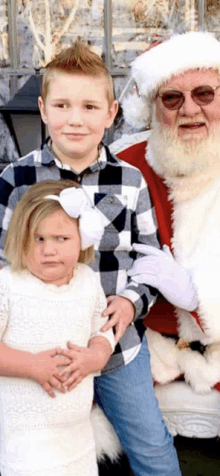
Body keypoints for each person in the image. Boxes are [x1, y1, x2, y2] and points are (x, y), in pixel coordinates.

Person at [0, 40, 182, 475]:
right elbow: (4, 264)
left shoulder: (131, 180)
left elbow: (150, 260)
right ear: (43, 110)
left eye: (88, 106)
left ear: (111, 113)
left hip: (117, 346)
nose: (75, 119)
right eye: (62, 105)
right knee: (33, 449)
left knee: (153, 450)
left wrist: (130, 302)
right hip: (41, 348)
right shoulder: (16, 177)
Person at [118, 30, 220, 394]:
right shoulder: (124, 166)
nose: (190, 109)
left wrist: (196, 297)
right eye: (172, 98)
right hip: (147, 345)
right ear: (152, 108)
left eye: (204, 93)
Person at [0, 178, 116, 476]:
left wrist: (97, 356)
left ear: (82, 240)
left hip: (76, 435)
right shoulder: (9, 285)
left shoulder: (88, 281)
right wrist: (32, 365)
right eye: (37, 239)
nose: (48, 250)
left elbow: (102, 329)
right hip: (24, 437)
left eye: (61, 239)